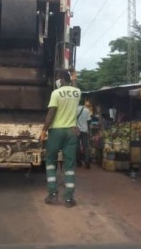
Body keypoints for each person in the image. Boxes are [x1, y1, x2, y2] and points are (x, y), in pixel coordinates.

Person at [39, 71, 81, 208]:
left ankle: (53, 194)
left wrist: (44, 131)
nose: (56, 80)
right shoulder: (77, 92)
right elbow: (75, 85)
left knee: (51, 161)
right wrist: (75, 77)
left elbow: (51, 114)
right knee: (69, 166)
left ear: (61, 80)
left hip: (57, 131)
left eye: (57, 78)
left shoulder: (56, 93)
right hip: (71, 132)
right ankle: (69, 199)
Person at [76, 103, 92, 169]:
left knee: (77, 146)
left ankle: (78, 162)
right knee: (86, 146)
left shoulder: (74, 110)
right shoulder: (87, 110)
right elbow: (89, 122)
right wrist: (89, 131)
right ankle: (87, 162)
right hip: (84, 131)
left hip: (76, 131)